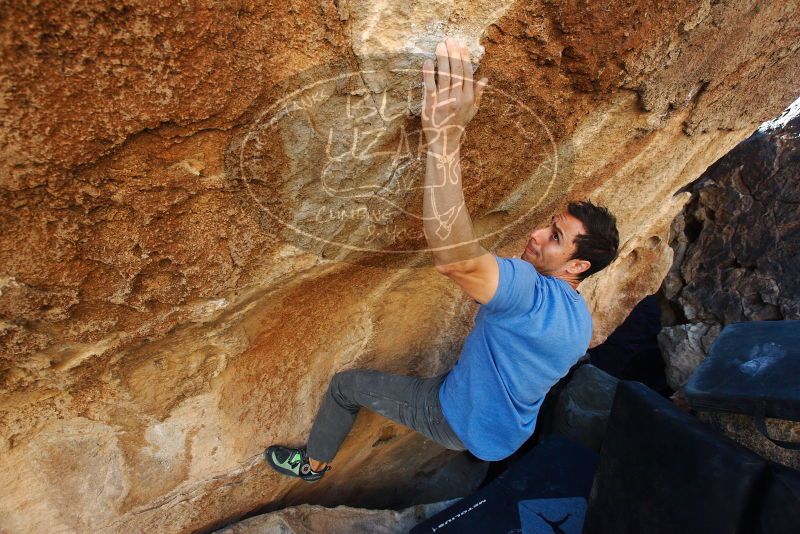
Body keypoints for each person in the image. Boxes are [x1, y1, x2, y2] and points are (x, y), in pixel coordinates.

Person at [264, 37, 619, 482]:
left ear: (577, 266)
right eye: (548, 224)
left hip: (453, 418)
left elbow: (457, 261)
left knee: (345, 387)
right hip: (505, 436)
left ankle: (312, 465)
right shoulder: (579, 321)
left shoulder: (528, 292)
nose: (535, 234)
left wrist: (445, 137)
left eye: (554, 237)